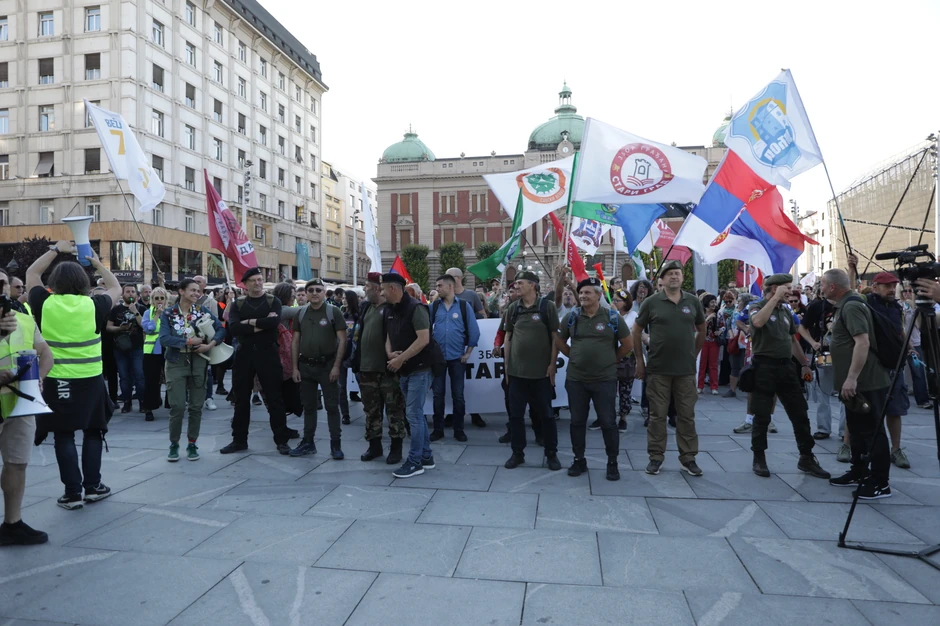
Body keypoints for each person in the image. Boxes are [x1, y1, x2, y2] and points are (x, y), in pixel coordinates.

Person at [27, 241, 121, 510]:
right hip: (91, 379)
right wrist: (96, 263)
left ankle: (72, 493)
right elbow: (114, 287)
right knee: (94, 431)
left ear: (53, 282)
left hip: (58, 379)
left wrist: (56, 249)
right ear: (84, 282)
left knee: (63, 433)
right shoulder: (95, 305)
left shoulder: (43, 302)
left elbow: (32, 274)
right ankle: (93, 487)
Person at [747, 273, 829, 479]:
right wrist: (774, 299)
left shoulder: (785, 310)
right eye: (786, 287)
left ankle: (806, 457)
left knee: (800, 412)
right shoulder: (757, 306)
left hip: (785, 368)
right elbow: (757, 323)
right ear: (774, 289)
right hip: (764, 367)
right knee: (762, 415)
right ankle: (759, 458)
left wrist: (803, 364)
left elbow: (792, 340)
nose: (791, 291)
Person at [823, 269, 894, 499]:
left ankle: (880, 482)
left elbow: (862, 343)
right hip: (855, 384)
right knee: (857, 430)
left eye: (823, 284)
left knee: (872, 432)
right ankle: (859, 471)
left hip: (866, 382)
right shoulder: (846, 304)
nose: (820, 288)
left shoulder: (852, 306)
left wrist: (852, 377)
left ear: (833, 287)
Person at [633, 260, 705, 477]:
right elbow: (636, 331)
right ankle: (655, 457)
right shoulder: (651, 302)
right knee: (657, 416)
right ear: (662, 280)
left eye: (677, 273)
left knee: (686, 415)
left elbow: (701, 329)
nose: (674, 276)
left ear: (682, 278)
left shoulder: (692, 301)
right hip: (657, 370)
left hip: (685, 371)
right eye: (670, 274)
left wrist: (693, 353)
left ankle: (688, 458)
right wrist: (639, 361)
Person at [558, 277, 631, 481]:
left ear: (599, 295)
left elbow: (627, 344)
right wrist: (572, 354)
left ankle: (612, 462)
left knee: (608, 422)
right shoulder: (572, 317)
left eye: (587, 292)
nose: (582, 296)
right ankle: (579, 460)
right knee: (577, 422)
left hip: (604, 380)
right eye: (580, 293)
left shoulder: (612, 317)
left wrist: (610, 360)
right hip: (576, 379)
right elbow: (559, 339)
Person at [0, 270, 52, 544]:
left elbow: (45, 353)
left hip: (18, 404)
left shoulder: (23, 317)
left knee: (17, 463)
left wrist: (38, 379)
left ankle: (13, 523)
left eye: (4, 283)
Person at [221, 267, 292, 455]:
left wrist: (249, 322)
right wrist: (260, 322)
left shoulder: (272, 301)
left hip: (267, 353)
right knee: (241, 398)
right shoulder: (238, 304)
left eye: (260, 279)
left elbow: (273, 324)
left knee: (275, 397)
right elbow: (234, 328)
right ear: (245, 284)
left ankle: (281, 440)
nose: (258, 283)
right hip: (244, 355)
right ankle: (239, 440)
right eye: (253, 280)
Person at [158, 279, 224, 462]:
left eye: (198, 290)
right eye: (192, 290)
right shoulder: (169, 313)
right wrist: (187, 342)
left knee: (196, 406)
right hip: (176, 361)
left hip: (199, 361)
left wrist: (210, 344)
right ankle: (174, 444)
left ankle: (192, 443)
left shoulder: (203, 311)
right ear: (181, 291)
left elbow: (220, 329)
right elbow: (164, 339)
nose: (197, 293)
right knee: (178, 406)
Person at [502, 271, 560, 471]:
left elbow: (555, 338)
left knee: (547, 416)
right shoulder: (513, 308)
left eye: (520, 283)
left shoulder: (547, 307)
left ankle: (551, 454)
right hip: (517, 374)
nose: (516, 286)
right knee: (516, 417)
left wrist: (552, 365)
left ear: (533, 285)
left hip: (541, 375)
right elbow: (507, 337)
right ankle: (517, 453)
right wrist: (506, 367)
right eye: (515, 283)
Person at [382, 272, 435, 478]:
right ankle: (426, 456)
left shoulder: (416, 308)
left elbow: (423, 339)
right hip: (404, 369)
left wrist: (400, 358)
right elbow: (388, 335)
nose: (381, 292)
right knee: (415, 414)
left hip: (419, 369)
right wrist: (389, 352)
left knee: (413, 415)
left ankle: (415, 462)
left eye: (383, 288)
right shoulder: (390, 309)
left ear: (393, 289)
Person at [290, 278, 347, 459]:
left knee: (331, 407)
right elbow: (295, 341)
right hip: (306, 366)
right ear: (306, 294)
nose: (314, 293)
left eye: (318, 290)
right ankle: (308, 442)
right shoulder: (301, 313)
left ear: (324, 292)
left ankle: (335, 445)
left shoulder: (333, 312)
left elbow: (343, 340)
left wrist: (337, 366)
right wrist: (294, 368)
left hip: (328, 366)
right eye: (311, 290)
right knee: (309, 407)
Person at [357, 273, 407, 464]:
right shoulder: (366, 307)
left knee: (394, 410)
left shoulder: (392, 309)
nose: (364, 289)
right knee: (371, 410)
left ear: (377, 288)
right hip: (367, 368)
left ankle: (396, 448)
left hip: (388, 369)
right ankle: (374, 446)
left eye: (366, 286)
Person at [429, 274, 480, 443]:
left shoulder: (464, 307)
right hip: (438, 359)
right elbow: (426, 330)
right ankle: (438, 429)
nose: (437, 288)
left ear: (450, 287)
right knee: (438, 394)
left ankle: (459, 429)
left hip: (458, 358)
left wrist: (467, 353)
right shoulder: (434, 307)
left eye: (440, 285)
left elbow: (474, 331)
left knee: (458, 395)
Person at [798, 285, 846, 442]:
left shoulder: (848, 303)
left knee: (846, 393)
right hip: (824, 353)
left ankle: (846, 431)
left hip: (845, 354)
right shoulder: (817, 306)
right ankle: (823, 428)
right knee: (822, 392)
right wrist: (813, 343)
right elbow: (802, 327)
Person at [445, 267, 487, 427]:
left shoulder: (471, 295)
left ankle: (475, 413)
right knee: (454, 383)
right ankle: (451, 413)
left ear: (457, 279)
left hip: (469, 347)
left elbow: (483, 315)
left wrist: (467, 316)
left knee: (471, 381)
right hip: (452, 348)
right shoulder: (444, 297)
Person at [107, 284, 146, 413]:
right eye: (127, 292)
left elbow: (144, 326)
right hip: (120, 348)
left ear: (136, 294)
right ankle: (127, 402)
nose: (130, 294)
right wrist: (120, 328)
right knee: (124, 376)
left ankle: (142, 401)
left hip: (137, 348)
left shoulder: (142, 309)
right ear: (122, 294)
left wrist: (135, 311)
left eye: (133, 292)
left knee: (139, 375)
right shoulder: (116, 310)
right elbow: (109, 327)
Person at [898, 283, 930, 410]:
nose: (907, 293)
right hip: (900, 343)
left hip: (915, 342)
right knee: (897, 372)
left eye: (910, 291)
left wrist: (913, 307)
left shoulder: (916, 306)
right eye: (904, 291)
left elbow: (919, 325)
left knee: (918, 372)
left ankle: (922, 400)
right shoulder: (898, 306)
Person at [141, 286, 169, 421]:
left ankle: (171, 404)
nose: (159, 301)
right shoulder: (148, 313)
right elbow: (148, 329)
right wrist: (157, 315)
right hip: (152, 351)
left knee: (170, 378)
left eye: (162, 298)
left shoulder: (170, 312)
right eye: (156, 298)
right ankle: (149, 407)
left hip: (167, 348)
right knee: (151, 380)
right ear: (152, 300)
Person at [193, 275, 219, 411]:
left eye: (198, 282)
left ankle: (209, 397)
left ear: (204, 285)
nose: (196, 284)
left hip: (205, 341)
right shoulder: (184, 300)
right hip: (188, 340)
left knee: (206, 371)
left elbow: (215, 322)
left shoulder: (210, 302)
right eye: (194, 281)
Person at [611, 289, 635, 431]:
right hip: (611, 355)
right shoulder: (609, 314)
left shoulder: (633, 316)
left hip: (626, 357)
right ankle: (607, 416)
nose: (614, 303)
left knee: (625, 390)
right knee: (608, 390)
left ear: (625, 302)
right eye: (613, 300)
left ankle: (623, 417)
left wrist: (616, 315)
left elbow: (627, 332)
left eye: (617, 300)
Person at [698, 294, 722, 395]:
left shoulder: (718, 314)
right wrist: (708, 318)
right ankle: (700, 386)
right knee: (702, 364)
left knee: (713, 365)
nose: (714, 304)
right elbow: (698, 327)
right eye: (712, 302)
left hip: (714, 342)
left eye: (715, 302)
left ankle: (714, 387)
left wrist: (720, 331)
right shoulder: (701, 313)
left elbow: (723, 325)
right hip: (702, 341)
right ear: (707, 303)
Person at [342, 290, 362, 407]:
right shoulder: (341, 313)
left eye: (345, 298)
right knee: (341, 386)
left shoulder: (359, 315)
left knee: (361, 382)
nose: (343, 300)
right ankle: (344, 414)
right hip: (344, 351)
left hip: (356, 353)